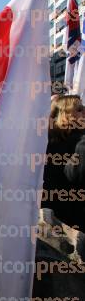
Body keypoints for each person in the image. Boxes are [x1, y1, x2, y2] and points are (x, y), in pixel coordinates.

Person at [41, 95, 85, 230]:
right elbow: (74, 176)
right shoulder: (48, 144)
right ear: (65, 115)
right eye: (79, 109)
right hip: (70, 223)